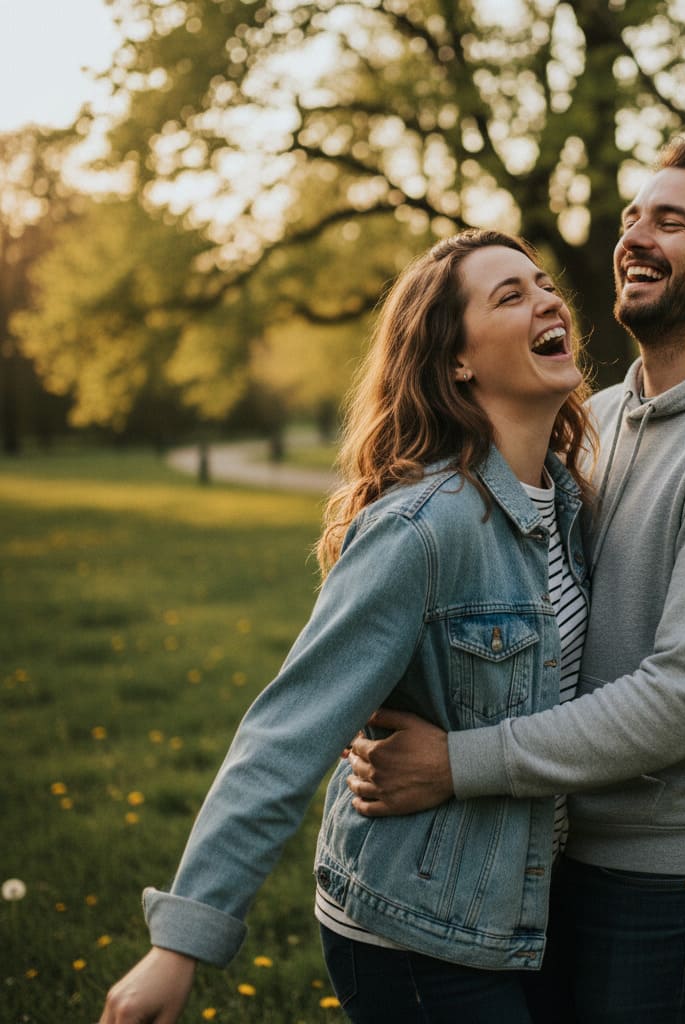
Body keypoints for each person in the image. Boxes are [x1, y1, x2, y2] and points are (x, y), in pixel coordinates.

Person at [345, 137, 685, 1023]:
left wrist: (457, 762)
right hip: (549, 845)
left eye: (671, 223)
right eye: (634, 216)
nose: (634, 235)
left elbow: (682, 699)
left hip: (670, 877)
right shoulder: (595, 419)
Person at [99, 228, 597, 1024]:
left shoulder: (567, 506)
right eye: (510, 294)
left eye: (543, 284)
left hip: (519, 913)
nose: (546, 299)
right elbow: (287, 730)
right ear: (455, 363)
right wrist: (180, 943)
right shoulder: (422, 531)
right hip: (413, 934)